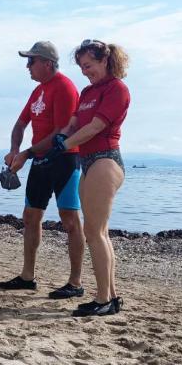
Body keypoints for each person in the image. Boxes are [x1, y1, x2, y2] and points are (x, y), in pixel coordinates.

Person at [0, 41, 85, 297]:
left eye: (31, 61)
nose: (27, 66)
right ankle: (27, 276)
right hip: (40, 160)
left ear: (47, 63)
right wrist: (15, 149)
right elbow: (20, 124)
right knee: (30, 216)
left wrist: (26, 153)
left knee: (70, 220)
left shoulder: (65, 88)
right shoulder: (38, 91)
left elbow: (60, 132)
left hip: (65, 160)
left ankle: (75, 283)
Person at [55, 39, 130, 317]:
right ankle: (109, 296)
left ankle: (102, 299)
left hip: (105, 159)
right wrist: (60, 136)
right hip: (87, 162)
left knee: (94, 233)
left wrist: (65, 145)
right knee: (99, 232)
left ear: (104, 61)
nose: (85, 72)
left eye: (89, 66)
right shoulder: (87, 91)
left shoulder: (117, 89)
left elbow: (96, 126)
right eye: (82, 68)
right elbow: (75, 122)